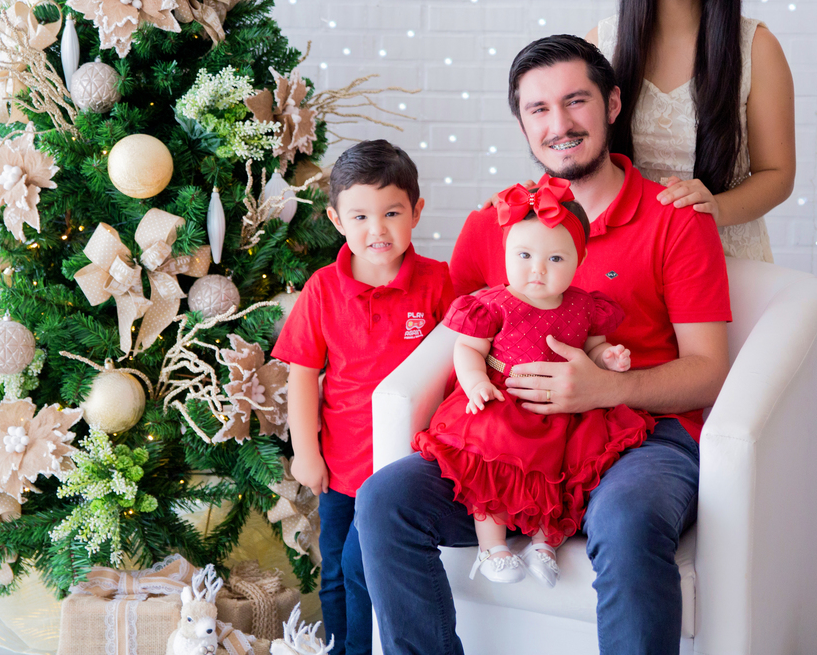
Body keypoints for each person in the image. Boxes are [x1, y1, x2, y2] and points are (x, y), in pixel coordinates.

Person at [356, 34, 732, 655]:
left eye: (576, 101)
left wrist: (607, 388)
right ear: (523, 123)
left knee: (628, 518)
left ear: (613, 105)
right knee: (384, 502)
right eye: (538, 109)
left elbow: (710, 370)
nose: (559, 124)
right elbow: (459, 331)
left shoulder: (675, 217)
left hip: (641, 439)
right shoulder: (494, 224)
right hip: (513, 442)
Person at [412, 177, 654, 587]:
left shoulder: (584, 306)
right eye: (524, 255)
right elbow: (468, 348)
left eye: (555, 259)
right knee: (491, 464)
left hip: (562, 407)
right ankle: (493, 547)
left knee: (558, 470)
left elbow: (593, 348)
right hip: (505, 398)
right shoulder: (495, 304)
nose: (537, 269)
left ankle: (544, 543)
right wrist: (475, 382)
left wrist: (608, 359)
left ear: (579, 259)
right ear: (506, 251)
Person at [271, 139, 455, 655]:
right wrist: (306, 453)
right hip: (342, 467)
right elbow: (303, 374)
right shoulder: (322, 289)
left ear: (416, 211)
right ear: (336, 220)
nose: (378, 230)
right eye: (360, 217)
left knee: (365, 565)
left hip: (408, 467)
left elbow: (460, 362)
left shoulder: (438, 282)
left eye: (392, 213)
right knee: (337, 571)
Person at [587, 0, 796, 262]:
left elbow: (778, 175)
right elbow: (576, 152)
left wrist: (716, 208)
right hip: (630, 258)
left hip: (725, 257)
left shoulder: (756, 48)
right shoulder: (602, 43)